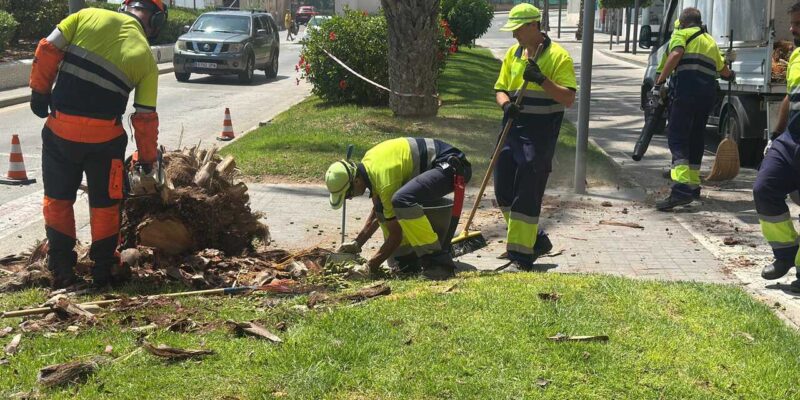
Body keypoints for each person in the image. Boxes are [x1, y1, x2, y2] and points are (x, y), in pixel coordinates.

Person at [29, 0, 166, 288]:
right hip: (105, 142)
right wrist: (147, 160)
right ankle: (103, 268)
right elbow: (145, 119)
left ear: (124, 7)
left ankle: (62, 266)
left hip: (60, 132)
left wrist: (39, 93)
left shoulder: (84, 16)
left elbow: (47, 49)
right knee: (105, 205)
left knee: (58, 199)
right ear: (156, 23)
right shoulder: (146, 59)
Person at [493, 3, 576, 272]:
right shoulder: (513, 53)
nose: (513, 34)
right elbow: (500, 89)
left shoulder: (558, 57)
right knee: (503, 190)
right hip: (511, 129)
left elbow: (568, 98)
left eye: (517, 29)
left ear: (533, 26)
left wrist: (541, 79)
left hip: (539, 134)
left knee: (527, 192)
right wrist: (506, 104)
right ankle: (535, 240)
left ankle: (521, 256)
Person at [325, 138, 472, 280]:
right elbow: (378, 211)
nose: (350, 198)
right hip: (438, 167)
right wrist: (357, 243)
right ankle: (408, 259)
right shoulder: (369, 167)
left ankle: (438, 263)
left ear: (356, 181)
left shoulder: (385, 182)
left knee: (402, 200)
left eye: (348, 194)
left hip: (451, 165)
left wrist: (370, 267)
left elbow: (396, 236)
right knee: (385, 208)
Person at [653, 7, 734, 211]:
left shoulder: (681, 34)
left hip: (685, 93)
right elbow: (724, 71)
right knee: (696, 138)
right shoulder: (710, 41)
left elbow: (676, 54)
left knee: (678, 138)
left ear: (683, 23)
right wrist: (731, 72)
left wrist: (659, 82)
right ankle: (692, 186)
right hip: (705, 98)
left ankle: (680, 190)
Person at [755, 2, 800, 286]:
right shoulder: (796, 55)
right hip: (791, 139)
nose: (793, 29)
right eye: (793, 23)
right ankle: (785, 253)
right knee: (764, 188)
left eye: (799, 24)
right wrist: (775, 135)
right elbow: (789, 96)